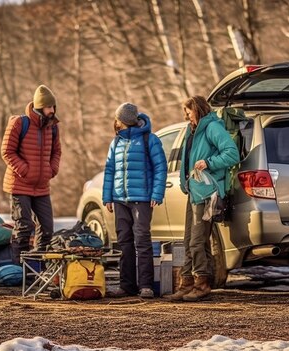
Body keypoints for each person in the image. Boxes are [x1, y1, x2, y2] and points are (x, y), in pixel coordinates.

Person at [166, 96, 238, 302]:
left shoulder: (212, 128)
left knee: (197, 241)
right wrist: (184, 182)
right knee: (189, 239)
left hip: (208, 193)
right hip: (194, 192)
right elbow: (187, 160)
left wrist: (209, 162)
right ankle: (186, 282)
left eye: (189, 111)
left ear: (198, 109)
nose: (186, 115)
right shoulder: (193, 131)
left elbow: (232, 154)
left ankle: (202, 283)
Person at [102, 102, 167, 299]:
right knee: (124, 242)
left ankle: (146, 286)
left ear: (123, 121)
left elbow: (160, 168)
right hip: (119, 199)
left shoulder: (150, 140)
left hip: (142, 199)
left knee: (142, 241)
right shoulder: (116, 142)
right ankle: (127, 286)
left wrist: (156, 194)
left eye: (118, 119)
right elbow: (109, 170)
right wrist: (107, 197)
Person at [1, 85, 62, 264]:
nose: (52, 111)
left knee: (47, 228)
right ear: (40, 106)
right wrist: (25, 170)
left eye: (53, 107)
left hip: (42, 186)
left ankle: (37, 268)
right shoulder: (20, 123)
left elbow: (57, 152)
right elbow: (7, 151)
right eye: (49, 107)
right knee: (24, 226)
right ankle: (18, 270)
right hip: (20, 185)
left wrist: (52, 169)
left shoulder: (53, 127)